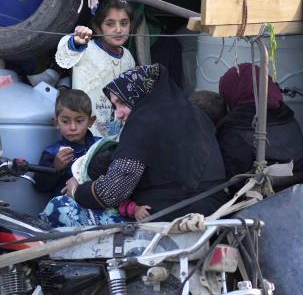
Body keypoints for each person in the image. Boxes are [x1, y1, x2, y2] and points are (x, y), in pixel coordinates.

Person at [40, 64, 227, 227]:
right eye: (115, 106)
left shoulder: (143, 122)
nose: (119, 114)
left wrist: (76, 190)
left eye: (122, 103)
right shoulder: (196, 115)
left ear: (140, 95)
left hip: (168, 218)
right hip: (213, 211)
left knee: (59, 207)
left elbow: (112, 192)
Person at [55, 0, 137, 137]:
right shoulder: (86, 48)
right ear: (97, 27)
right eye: (110, 24)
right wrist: (76, 40)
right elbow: (66, 51)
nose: (118, 29)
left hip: (117, 136)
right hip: (85, 135)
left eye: (124, 23)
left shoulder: (128, 56)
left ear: (131, 25)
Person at [215, 63, 303, 182]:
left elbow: (233, 181)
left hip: (258, 198)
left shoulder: (232, 130)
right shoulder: (288, 118)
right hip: (301, 193)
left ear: (233, 91)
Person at [33, 88, 100, 195]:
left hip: (96, 203)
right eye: (65, 121)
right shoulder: (52, 152)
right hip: (65, 207)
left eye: (79, 121)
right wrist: (55, 168)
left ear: (90, 121)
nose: (73, 127)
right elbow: (39, 186)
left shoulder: (100, 146)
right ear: (56, 123)